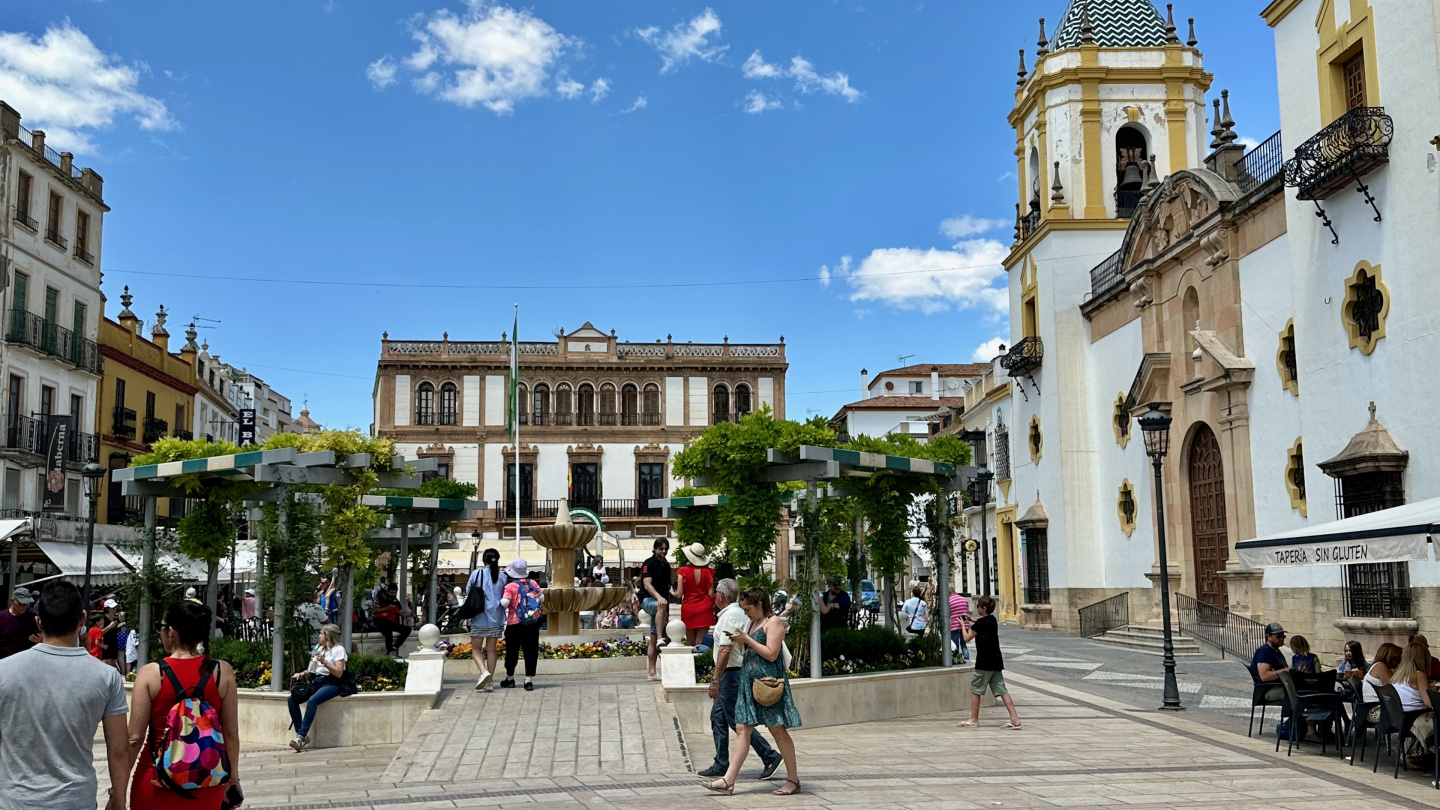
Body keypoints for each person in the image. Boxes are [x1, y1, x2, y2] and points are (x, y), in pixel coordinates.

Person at [0, 580, 130, 809]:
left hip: (15, 801)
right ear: (82, 619)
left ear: (38, 621)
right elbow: (119, 750)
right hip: (75, 800)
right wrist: (118, 799)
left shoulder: (4, 671)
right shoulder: (106, 677)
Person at [127, 600, 242, 809]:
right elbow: (231, 733)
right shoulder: (221, 672)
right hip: (206, 782)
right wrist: (233, 779)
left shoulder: (151, 674)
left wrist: (117, 788)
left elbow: (134, 739)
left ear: (171, 632)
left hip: (155, 778)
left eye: (161, 627)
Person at [702, 587, 802, 796]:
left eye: (748, 609)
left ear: (759, 605)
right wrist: (741, 640)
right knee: (742, 729)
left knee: (777, 729)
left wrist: (747, 639)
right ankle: (729, 780)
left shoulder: (772, 622)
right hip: (749, 682)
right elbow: (747, 652)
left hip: (768, 683)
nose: (745, 613)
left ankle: (793, 780)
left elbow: (772, 654)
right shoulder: (751, 622)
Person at [697, 579, 781, 781]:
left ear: (720, 595)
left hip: (731, 674)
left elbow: (725, 650)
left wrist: (715, 680)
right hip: (732, 673)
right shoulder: (736, 614)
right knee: (718, 718)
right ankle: (721, 763)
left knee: (738, 723)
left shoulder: (729, 617)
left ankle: (769, 755)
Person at [959, 595, 1022, 730]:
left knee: (976, 689)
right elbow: (981, 624)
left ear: (983, 608)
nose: (977, 608)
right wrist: (971, 620)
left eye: (978, 606)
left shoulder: (980, 624)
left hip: (984, 662)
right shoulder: (992, 620)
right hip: (996, 661)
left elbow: (966, 638)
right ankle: (1014, 718)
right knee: (1001, 690)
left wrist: (963, 625)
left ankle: (974, 719)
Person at [286, 623, 351, 752]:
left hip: (332, 682)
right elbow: (312, 670)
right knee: (291, 699)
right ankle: (301, 735)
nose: (319, 636)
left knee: (313, 701)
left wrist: (325, 662)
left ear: (328, 635)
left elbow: (339, 672)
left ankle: (300, 737)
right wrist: (302, 673)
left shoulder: (339, 649)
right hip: (317, 681)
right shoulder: (319, 649)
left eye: (321, 633)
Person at [467, 548, 508, 691]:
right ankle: (490, 681)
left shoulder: (477, 573)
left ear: (484, 560)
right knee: (491, 649)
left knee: (476, 648)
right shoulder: (502, 576)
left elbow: (468, 592)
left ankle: (484, 672)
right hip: (496, 617)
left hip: (479, 616)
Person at [500, 559, 544, 691]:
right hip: (532, 623)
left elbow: (505, 602)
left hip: (515, 623)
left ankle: (510, 678)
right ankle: (528, 680)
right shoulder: (533, 583)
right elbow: (542, 598)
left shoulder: (511, 586)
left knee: (512, 650)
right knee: (531, 650)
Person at [1389, 641, 1435, 766]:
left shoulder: (1398, 675)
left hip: (1398, 716)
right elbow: (1429, 702)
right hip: (1413, 718)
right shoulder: (1419, 675)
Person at [640, 538, 672, 679]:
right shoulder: (648, 563)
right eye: (661, 549)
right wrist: (658, 597)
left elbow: (668, 585)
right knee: (660, 607)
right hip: (648, 600)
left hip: (662, 605)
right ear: (655, 549)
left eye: (665, 549)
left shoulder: (666, 565)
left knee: (652, 639)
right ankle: (661, 638)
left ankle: (652, 671)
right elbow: (647, 584)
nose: (663, 551)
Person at [675, 542, 716, 647]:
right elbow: (711, 594)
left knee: (690, 642)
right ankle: (701, 662)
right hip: (704, 608)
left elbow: (679, 594)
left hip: (688, 607)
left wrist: (672, 592)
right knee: (701, 642)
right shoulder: (709, 572)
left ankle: (690, 663)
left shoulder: (682, 571)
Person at [1361, 642, 1402, 723]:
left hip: (1378, 708)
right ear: (1391, 657)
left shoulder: (1378, 665)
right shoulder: (1381, 667)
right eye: (1398, 658)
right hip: (1376, 711)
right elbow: (1393, 689)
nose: (1399, 662)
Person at [1249, 622, 1288, 704]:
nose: (1281, 639)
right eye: (1278, 636)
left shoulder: (1275, 650)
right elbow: (1264, 676)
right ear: (1269, 637)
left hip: (1278, 686)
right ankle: (1294, 716)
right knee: (1295, 692)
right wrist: (1286, 671)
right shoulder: (1265, 652)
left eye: (1283, 636)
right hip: (1268, 690)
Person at [0, 586, 39, 660]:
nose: (22, 607)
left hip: (26, 658)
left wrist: (40, 640)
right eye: (19, 604)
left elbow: (45, 635)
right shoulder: (2, 617)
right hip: (5, 659)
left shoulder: (33, 616)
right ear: (12, 601)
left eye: (25, 605)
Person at [370, 589, 412, 656]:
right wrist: (387, 608)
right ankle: (389, 651)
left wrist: (411, 614)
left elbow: (402, 613)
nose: (393, 594)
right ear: (388, 592)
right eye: (391, 592)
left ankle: (394, 647)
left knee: (407, 629)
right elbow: (374, 611)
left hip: (390, 622)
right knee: (388, 632)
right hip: (380, 621)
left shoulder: (396, 602)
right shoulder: (382, 599)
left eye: (394, 592)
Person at [949, 591, 972, 663]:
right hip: (965, 625)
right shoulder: (964, 599)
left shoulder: (949, 600)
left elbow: (948, 613)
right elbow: (967, 612)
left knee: (955, 644)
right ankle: (966, 657)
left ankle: (957, 658)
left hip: (954, 624)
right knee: (963, 643)